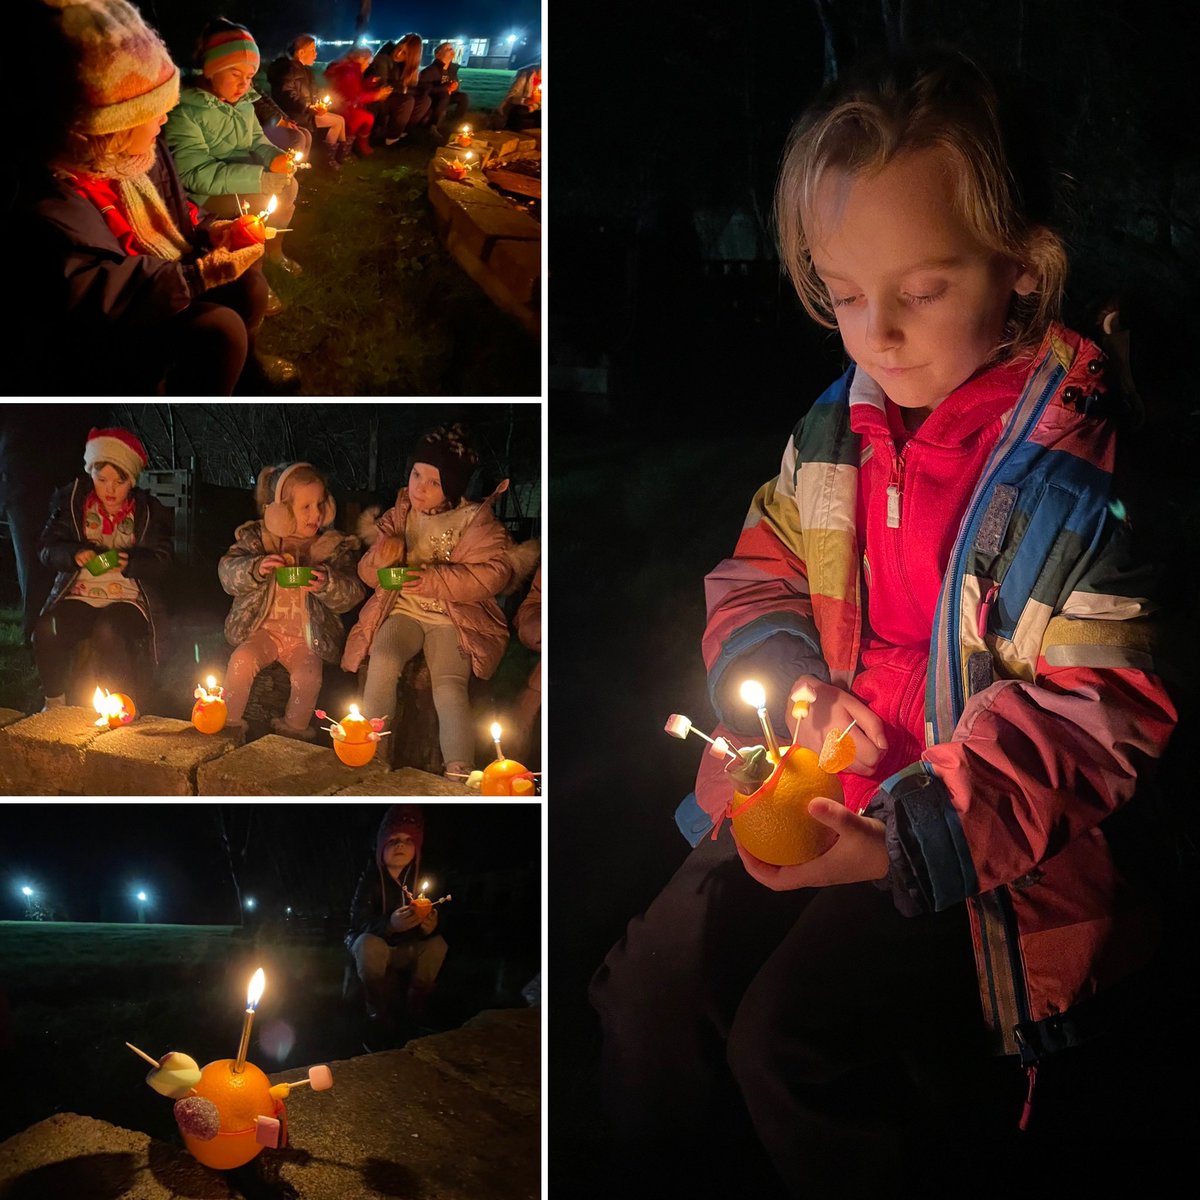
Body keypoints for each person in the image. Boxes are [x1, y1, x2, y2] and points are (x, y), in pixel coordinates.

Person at [590, 48, 1178, 1199]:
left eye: (922, 289)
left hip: (968, 846)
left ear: (1019, 267)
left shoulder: (1072, 476)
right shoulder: (830, 438)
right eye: (843, 292)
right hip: (814, 790)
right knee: (649, 987)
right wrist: (780, 665)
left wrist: (914, 839)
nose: (876, 337)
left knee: (795, 1048)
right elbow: (757, 572)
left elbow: (1095, 709)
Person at [21, 0, 288, 395]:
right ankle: (193, 388)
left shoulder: (143, 153)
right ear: (108, 127)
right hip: (123, 322)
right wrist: (196, 278)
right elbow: (94, 292)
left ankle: (245, 364)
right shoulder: (54, 202)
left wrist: (212, 230)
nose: (166, 116)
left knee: (250, 285)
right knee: (222, 329)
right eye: (154, 110)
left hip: (171, 273)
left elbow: (179, 212)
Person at [342, 425, 516, 779]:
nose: (419, 487)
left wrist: (434, 580)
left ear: (451, 488)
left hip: (451, 621)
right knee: (383, 660)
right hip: (403, 611)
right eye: (416, 474)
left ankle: (458, 769)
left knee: (449, 686)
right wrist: (382, 555)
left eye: (433, 482)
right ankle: (371, 752)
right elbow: (368, 575)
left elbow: (492, 575)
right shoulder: (400, 515)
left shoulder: (474, 521)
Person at [218, 462, 363, 739]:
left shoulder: (331, 548)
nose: (316, 514)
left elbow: (352, 593)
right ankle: (227, 725)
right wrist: (256, 568)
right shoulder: (259, 541)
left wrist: (327, 583)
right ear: (281, 512)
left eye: (320, 504)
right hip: (263, 633)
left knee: (309, 677)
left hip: (305, 640)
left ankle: (292, 735)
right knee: (241, 660)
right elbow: (227, 573)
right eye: (305, 507)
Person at [33, 428, 171, 709]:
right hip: (80, 595)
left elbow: (163, 561)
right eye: (102, 478)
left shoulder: (147, 511)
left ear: (131, 480)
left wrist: (131, 562)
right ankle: (55, 702)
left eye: (119, 481)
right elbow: (47, 549)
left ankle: (119, 706)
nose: (110, 489)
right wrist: (74, 554)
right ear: (90, 474)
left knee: (109, 630)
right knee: (47, 628)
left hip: (128, 599)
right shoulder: (72, 504)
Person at [164, 19, 302, 275]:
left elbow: (256, 141)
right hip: (205, 192)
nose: (244, 85)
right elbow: (193, 174)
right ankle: (253, 273)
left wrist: (276, 158)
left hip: (241, 173)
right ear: (210, 70)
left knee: (289, 187)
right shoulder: (184, 111)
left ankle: (273, 250)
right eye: (235, 74)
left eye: (249, 77)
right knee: (262, 203)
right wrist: (259, 179)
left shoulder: (244, 102)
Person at [346, 805, 448, 1032]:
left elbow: (441, 918)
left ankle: (417, 1002)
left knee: (437, 945)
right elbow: (358, 921)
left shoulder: (422, 879)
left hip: (407, 949)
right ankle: (377, 1009)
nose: (400, 844)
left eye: (408, 840)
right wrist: (389, 924)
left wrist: (429, 927)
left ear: (417, 848)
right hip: (378, 949)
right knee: (367, 944)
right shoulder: (370, 880)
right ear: (381, 848)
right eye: (392, 840)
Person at [268, 35, 348, 169]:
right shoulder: (288, 69)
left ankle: (338, 155)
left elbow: (312, 92)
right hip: (294, 114)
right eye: (312, 50)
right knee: (337, 122)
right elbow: (286, 95)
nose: (315, 54)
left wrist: (320, 104)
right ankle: (329, 159)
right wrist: (307, 106)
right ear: (301, 52)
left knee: (340, 120)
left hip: (306, 111)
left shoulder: (305, 70)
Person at [325, 47, 391, 158]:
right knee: (363, 118)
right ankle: (345, 152)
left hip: (342, 106)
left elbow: (354, 90)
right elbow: (352, 97)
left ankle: (347, 150)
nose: (368, 65)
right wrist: (376, 95)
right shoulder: (349, 71)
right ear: (361, 58)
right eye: (368, 61)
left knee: (366, 117)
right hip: (339, 108)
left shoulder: (351, 69)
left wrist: (369, 83)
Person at [419, 42, 469, 139]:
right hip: (433, 99)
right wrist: (445, 88)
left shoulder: (452, 69)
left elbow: (453, 87)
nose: (451, 50)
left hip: (447, 97)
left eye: (452, 48)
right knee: (444, 94)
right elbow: (424, 90)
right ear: (438, 55)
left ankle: (454, 123)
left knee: (463, 97)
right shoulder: (429, 71)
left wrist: (454, 87)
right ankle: (432, 126)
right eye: (447, 49)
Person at [495, 62, 541, 131]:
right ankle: (514, 133)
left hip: (537, 107)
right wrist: (526, 101)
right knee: (518, 111)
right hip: (523, 105)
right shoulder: (526, 76)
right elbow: (514, 95)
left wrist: (534, 105)